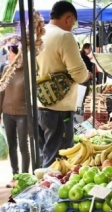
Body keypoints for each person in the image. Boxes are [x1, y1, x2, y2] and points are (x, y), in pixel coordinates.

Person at [36, 1, 90, 168]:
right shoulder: (64, 36)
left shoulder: (39, 35)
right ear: (68, 18)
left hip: (39, 104)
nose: (72, 27)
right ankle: (48, 191)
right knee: (57, 162)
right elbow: (80, 75)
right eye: (73, 23)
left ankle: (41, 188)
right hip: (59, 108)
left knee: (45, 154)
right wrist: (87, 75)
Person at [0, 44, 30, 188]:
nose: (8, 55)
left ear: (18, 54)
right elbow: (2, 92)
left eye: (10, 53)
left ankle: (25, 176)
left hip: (23, 113)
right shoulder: (6, 69)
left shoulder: (28, 70)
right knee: (12, 146)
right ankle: (15, 175)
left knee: (23, 145)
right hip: (7, 112)